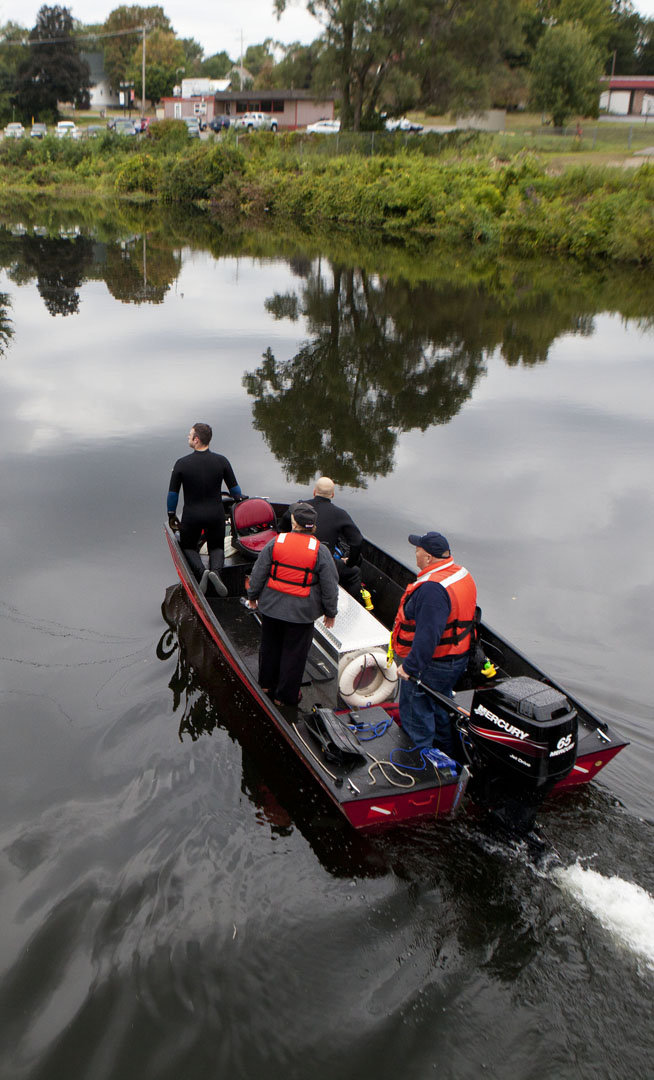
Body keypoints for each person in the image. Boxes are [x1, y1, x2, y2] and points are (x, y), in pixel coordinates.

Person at [392, 531, 477, 759]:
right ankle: (446, 756)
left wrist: (409, 668)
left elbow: (428, 636)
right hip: (455, 659)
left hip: (432, 664)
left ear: (428, 557)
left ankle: (422, 766)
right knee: (440, 708)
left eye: (418, 550)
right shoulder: (461, 574)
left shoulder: (432, 589)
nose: (416, 553)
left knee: (416, 715)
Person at [247, 502, 339, 707]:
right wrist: (330, 612)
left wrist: (252, 596)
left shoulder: (276, 542)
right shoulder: (320, 551)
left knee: (269, 646)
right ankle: (284, 697)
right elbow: (330, 585)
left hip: (271, 608)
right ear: (313, 526)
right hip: (302, 613)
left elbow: (259, 572)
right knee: (294, 654)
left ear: (294, 522)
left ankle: (265, 685)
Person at [167, 422, 243, 597]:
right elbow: (235, 491)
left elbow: (172, 495)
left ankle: (202, 573)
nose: (188, 437)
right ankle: (216, 571)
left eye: (190, 434)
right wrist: (239, 499)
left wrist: (171, 515)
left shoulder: (181, 463)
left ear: (197, 439)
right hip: (215, 514)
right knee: (216, 547)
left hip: (192, 515)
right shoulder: (221, 461)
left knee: (188, 547)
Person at [279, 477, 363, 599]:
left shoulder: (299, 508)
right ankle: (344, 601)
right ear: (333, 495)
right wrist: (350, 562)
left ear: (314, 492)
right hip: (322, 563)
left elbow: (281, 529)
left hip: (294, 558)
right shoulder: (340, 514)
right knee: (355, 573)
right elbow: (357, 541)